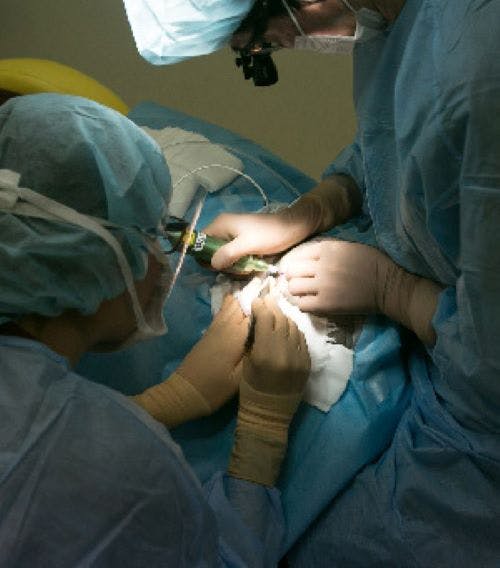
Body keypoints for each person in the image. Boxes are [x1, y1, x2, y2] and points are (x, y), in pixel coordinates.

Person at [123, 0, 500, 565]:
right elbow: (395, 142)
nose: (270, 50)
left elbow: (492, 370)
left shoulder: (480, 79)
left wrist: (395, 292)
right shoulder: (402, 21)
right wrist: (315, 208)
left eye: (258, 42)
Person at [0, 93, 311, 566]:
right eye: (147, 234)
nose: (161, 254)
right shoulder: (132, 472)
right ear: (97, 260)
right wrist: (261, 434)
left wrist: (161, 404)